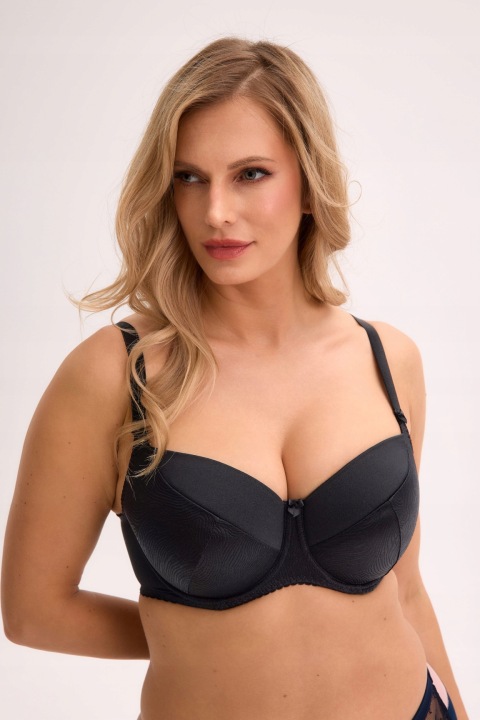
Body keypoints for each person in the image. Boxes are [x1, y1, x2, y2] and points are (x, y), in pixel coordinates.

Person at [1, 36, 468, 720]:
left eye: (251, 174)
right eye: (189, 177)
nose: (216, 210)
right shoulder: (117, 375)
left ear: (308, 182)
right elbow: (33, 611)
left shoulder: (388, 360)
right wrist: (200, 637)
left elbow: (406, 588)